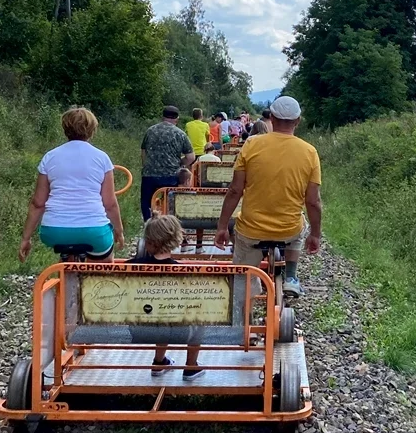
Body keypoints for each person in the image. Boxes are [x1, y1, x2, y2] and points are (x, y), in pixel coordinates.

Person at [215, 96, 321, 298]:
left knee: (241, 280)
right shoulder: (310, 152)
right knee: (301, 223)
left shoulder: (251, 145)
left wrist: (222, 226)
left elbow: (235, 191)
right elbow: (313, 201)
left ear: (271, 117)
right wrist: (315, 234)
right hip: (288, 231)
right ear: (297, 121)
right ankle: (290, 277)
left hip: (251, 231)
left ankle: (247, 298)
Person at [18, 107, 124, 262]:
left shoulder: (50, 157)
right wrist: (119, 231)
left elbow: (37, 203)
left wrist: (25, 238)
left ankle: (63, 281)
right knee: (105, 265)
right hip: (93, 230)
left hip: (54, 231)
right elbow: (109, 204)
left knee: (65, 262)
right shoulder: (102, 158)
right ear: (92, 129)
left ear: (65, 129)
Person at [126, 215, 204, 379]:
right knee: (194, 314)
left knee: (157, 313)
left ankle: (159, 362)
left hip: (136, 330)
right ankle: (191, 367)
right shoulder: (183, 274)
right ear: (175, 239)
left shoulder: (128, 267)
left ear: (147, 241)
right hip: (177, 332)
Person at [141, 106, 195, 221]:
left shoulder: (150, 131)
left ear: (162, 117)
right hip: (170, 176)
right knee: (170, 203)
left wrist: (147, 166)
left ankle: (148, 225)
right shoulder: (180, 134)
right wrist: (179, 163)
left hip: (149, 175)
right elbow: (191, 157)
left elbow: (144, 152)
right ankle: (169, 226)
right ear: (177, 119)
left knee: (147, 202)